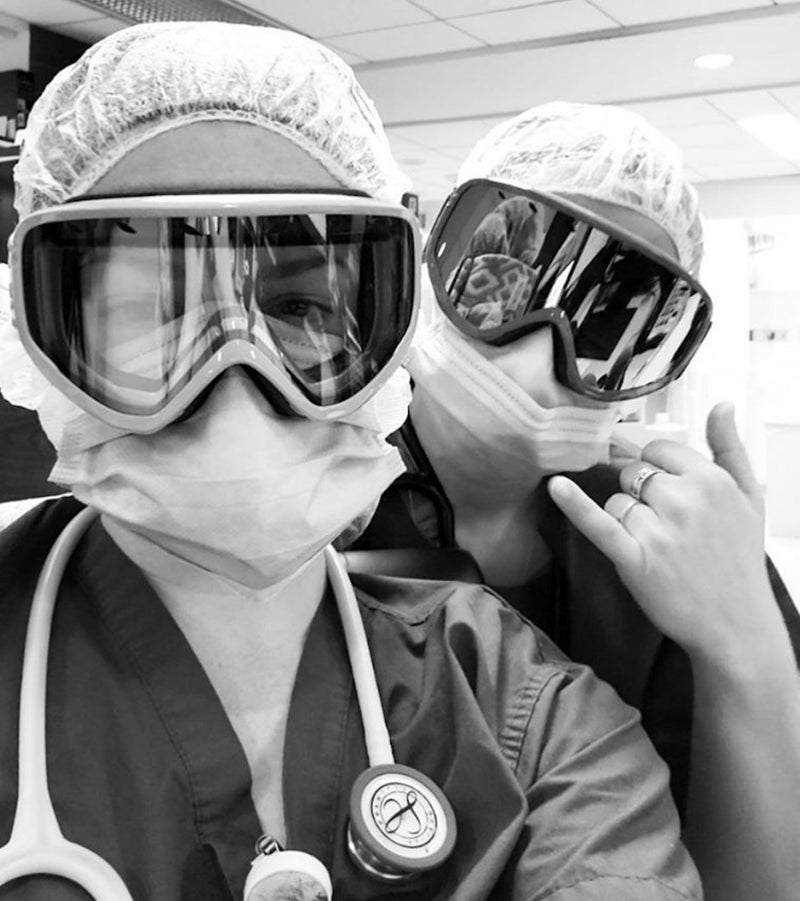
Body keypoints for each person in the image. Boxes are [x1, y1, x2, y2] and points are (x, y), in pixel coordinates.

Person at [0, 26, 701, 901]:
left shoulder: (533, 713)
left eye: (300, 302)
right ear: (42, 342)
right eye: (156, 307)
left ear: (391, 330)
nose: (237, 380)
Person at [357, 102, 800, 901]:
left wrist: (748, 645)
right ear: (437, 265)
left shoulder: (675, 543)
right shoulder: (314, 500)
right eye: (509, 282)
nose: (540, 348)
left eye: (607, 320)